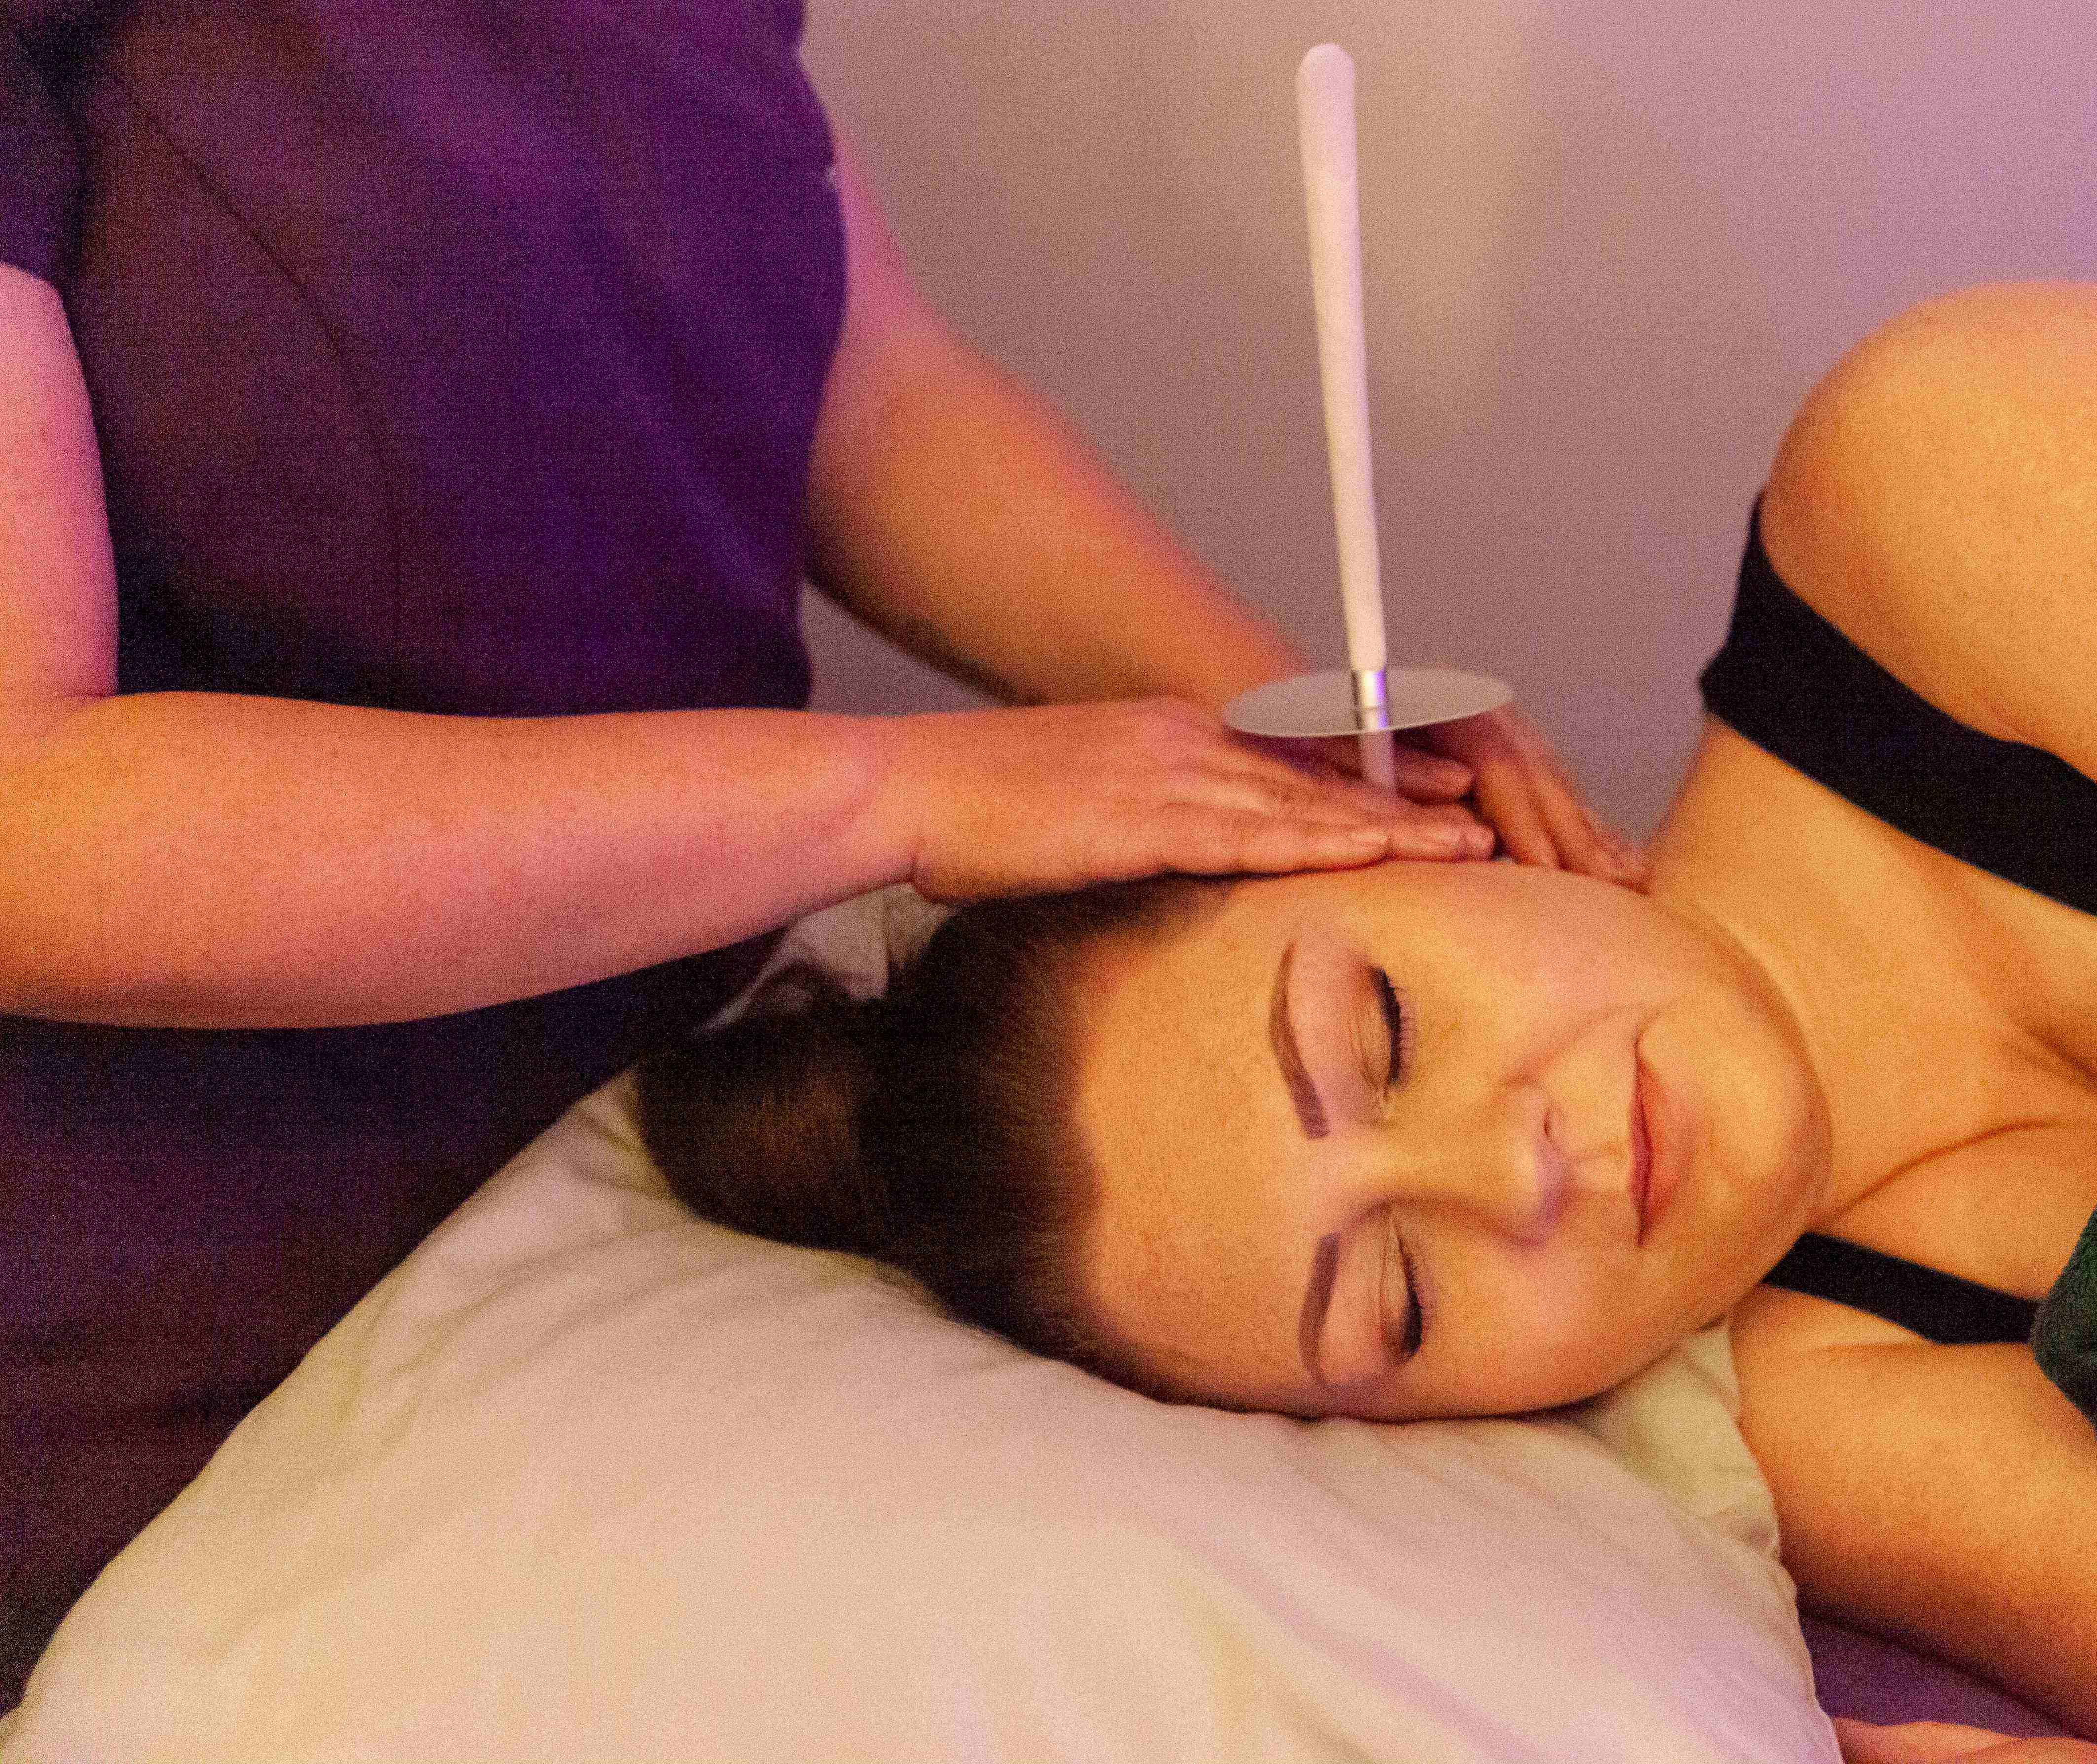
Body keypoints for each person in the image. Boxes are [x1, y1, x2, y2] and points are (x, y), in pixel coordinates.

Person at [641, 282, 2097, 1763]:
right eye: (1399, 1300)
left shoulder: (1928, 496)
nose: (1513, 1175)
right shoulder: (1816, 1420)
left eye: (1384, 1031)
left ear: (1404, 819)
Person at [0, 0, 1637, 1694]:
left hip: (657, 1172)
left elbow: (862, 392)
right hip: (198, 1388)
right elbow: (27, 830)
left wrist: (1285, 733)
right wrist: (903, 793)